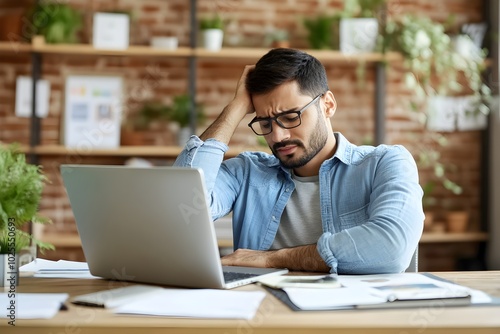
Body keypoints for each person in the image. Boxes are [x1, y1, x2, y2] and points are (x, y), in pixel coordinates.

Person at [174, 48, 424, 274]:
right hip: (262, 316)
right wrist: (236, 107)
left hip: (351, 320)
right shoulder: (247, 173)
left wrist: (273, 259)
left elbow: (391, 248)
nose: (277, 136)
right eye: (265, 123)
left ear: (327, 105)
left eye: (291, 116)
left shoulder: (385, 163)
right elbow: (179, 210)